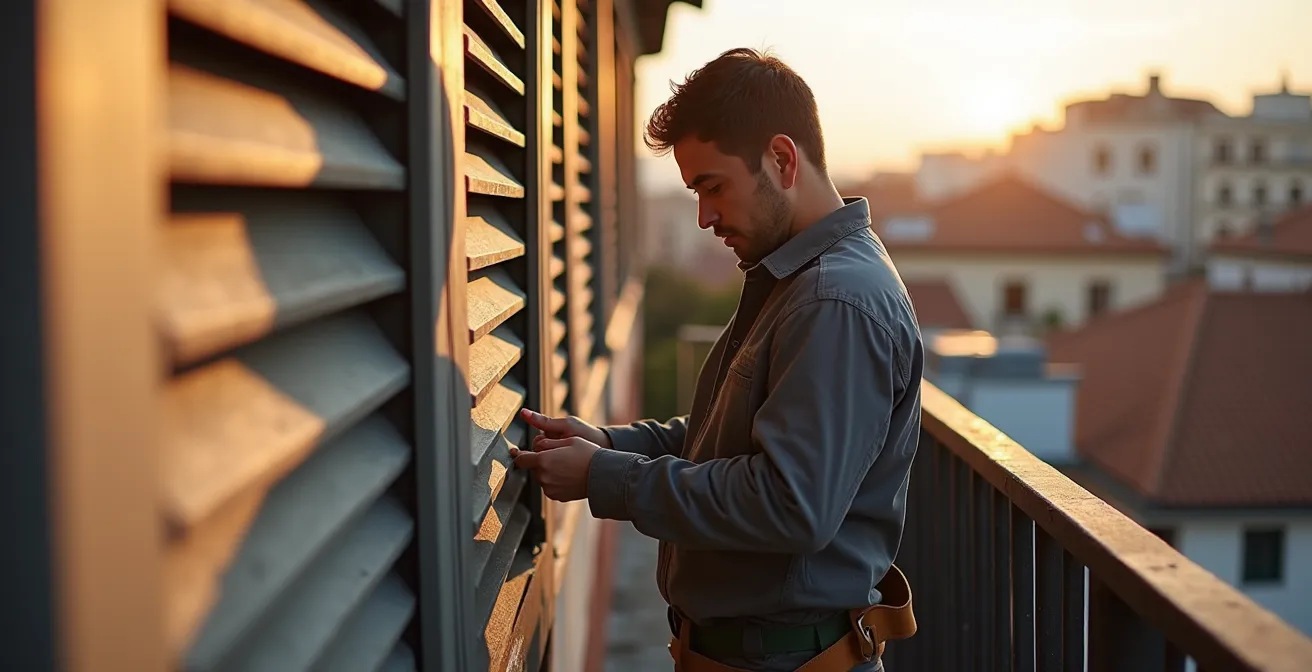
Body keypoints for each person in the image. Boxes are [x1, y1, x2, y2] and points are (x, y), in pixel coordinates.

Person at [510, 47, 923, 672]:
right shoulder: (796, 279)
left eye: (714, 187)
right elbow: (727, 442)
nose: (704, 217)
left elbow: (788, 503)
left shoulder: (834, 299)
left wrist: (606, 476)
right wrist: (609, 442)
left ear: (782, 160)